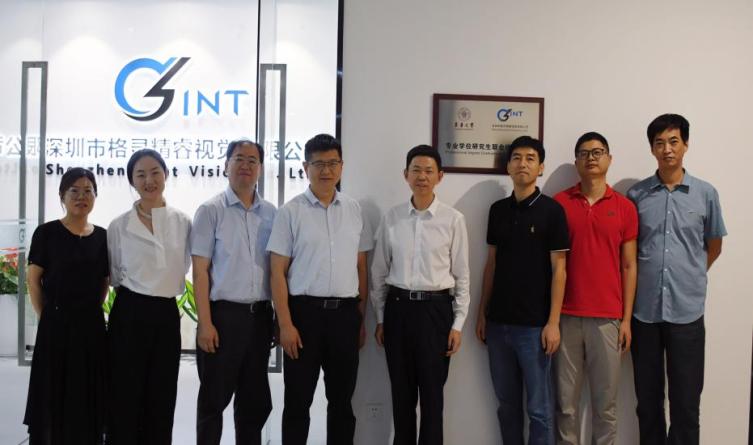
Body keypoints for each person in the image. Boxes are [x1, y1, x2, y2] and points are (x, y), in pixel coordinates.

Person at [267, 133, 373, 445]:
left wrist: (360, 318)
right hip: (304, 317)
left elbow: (361, 268)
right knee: (297, 402)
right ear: (306, 167)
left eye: (332, 163)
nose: (326, 170)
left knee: (342, 402)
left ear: (341, 166)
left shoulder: (354, 210)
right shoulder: (290, 212)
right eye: (319, 164)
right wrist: (285, 324)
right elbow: (277, 272)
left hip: (345, 316)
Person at [627, 114, 726, 445]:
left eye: (673, 141)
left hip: (688, 312)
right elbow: (629, 252)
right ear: (652, 149)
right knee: (648, 402)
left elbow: (714, 245)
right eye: (659, 143)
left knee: (686, 403)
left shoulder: (706, 193)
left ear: (685, 144)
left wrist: (690, 274)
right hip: (644, 312)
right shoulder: (636, 195)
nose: (667, 149)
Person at [370, 145, 470, 445]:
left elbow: (462, 276)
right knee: (401, 396)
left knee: (432, 398)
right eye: (416, 170)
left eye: (428, 171)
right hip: (398, 311)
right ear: (406, 175)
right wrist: (381, 318)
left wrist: (457, 324)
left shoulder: (453, 220)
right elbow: (379, 273)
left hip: (436, 313)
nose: (422, 177)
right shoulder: (392, 218)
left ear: (440, 176)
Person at [475, 135, 569, 445]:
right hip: (498, 325)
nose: (522, 164)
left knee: (539, 410)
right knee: (507, 406)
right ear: (508, 166)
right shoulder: (497, 210)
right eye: (516, 158)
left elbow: (559, 270)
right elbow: (491, 264)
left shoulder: (552, 211)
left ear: (541, 167)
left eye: (530, 158)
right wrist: (482, 313)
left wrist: (553, 322)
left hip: (535, 328)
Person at [553, 132, 638, 445]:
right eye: (584, 153)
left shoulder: (625, 207)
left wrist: (626, 320)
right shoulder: (560, 203)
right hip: (566, 316)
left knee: (606, 407)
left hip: (608, 319)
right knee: (565, 405)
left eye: (598, 152)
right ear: (576, 161)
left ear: (609, 159)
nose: (591, 158)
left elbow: (629, 266)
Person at [192, 139, 276, 445]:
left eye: (253, 160)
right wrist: (205, 323)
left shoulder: (271, 213)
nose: (246, 165)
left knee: (253, 404)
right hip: (223, 318)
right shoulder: (210, 210)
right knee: (213, 402)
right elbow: (200, 272)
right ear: (226, 165)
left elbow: (278, 270)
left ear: (260, 168)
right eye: (239, 159)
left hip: (260, 318)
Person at [106, 149, 191, 445]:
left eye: (155, 172)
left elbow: (184, 266)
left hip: (166, 314)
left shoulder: (183, 222)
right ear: (132, 181)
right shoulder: (118, 225)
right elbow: (114, 274)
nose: (149, 180)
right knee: (125, 391)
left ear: (165, 175)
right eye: (140, 174)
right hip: (129, 313)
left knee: (162, 391)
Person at [24, 167, 109, 445]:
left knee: (86, 391)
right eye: (74, 191)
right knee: (53, 392)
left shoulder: (102, 237)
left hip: (91, 328)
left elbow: (103, 283)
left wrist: (88, 312)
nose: (81, 197)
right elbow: (34, 281)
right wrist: (47, 316)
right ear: (62, 195)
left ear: (95, 196)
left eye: (88, 191)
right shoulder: (47, 233)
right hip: (56, 326)